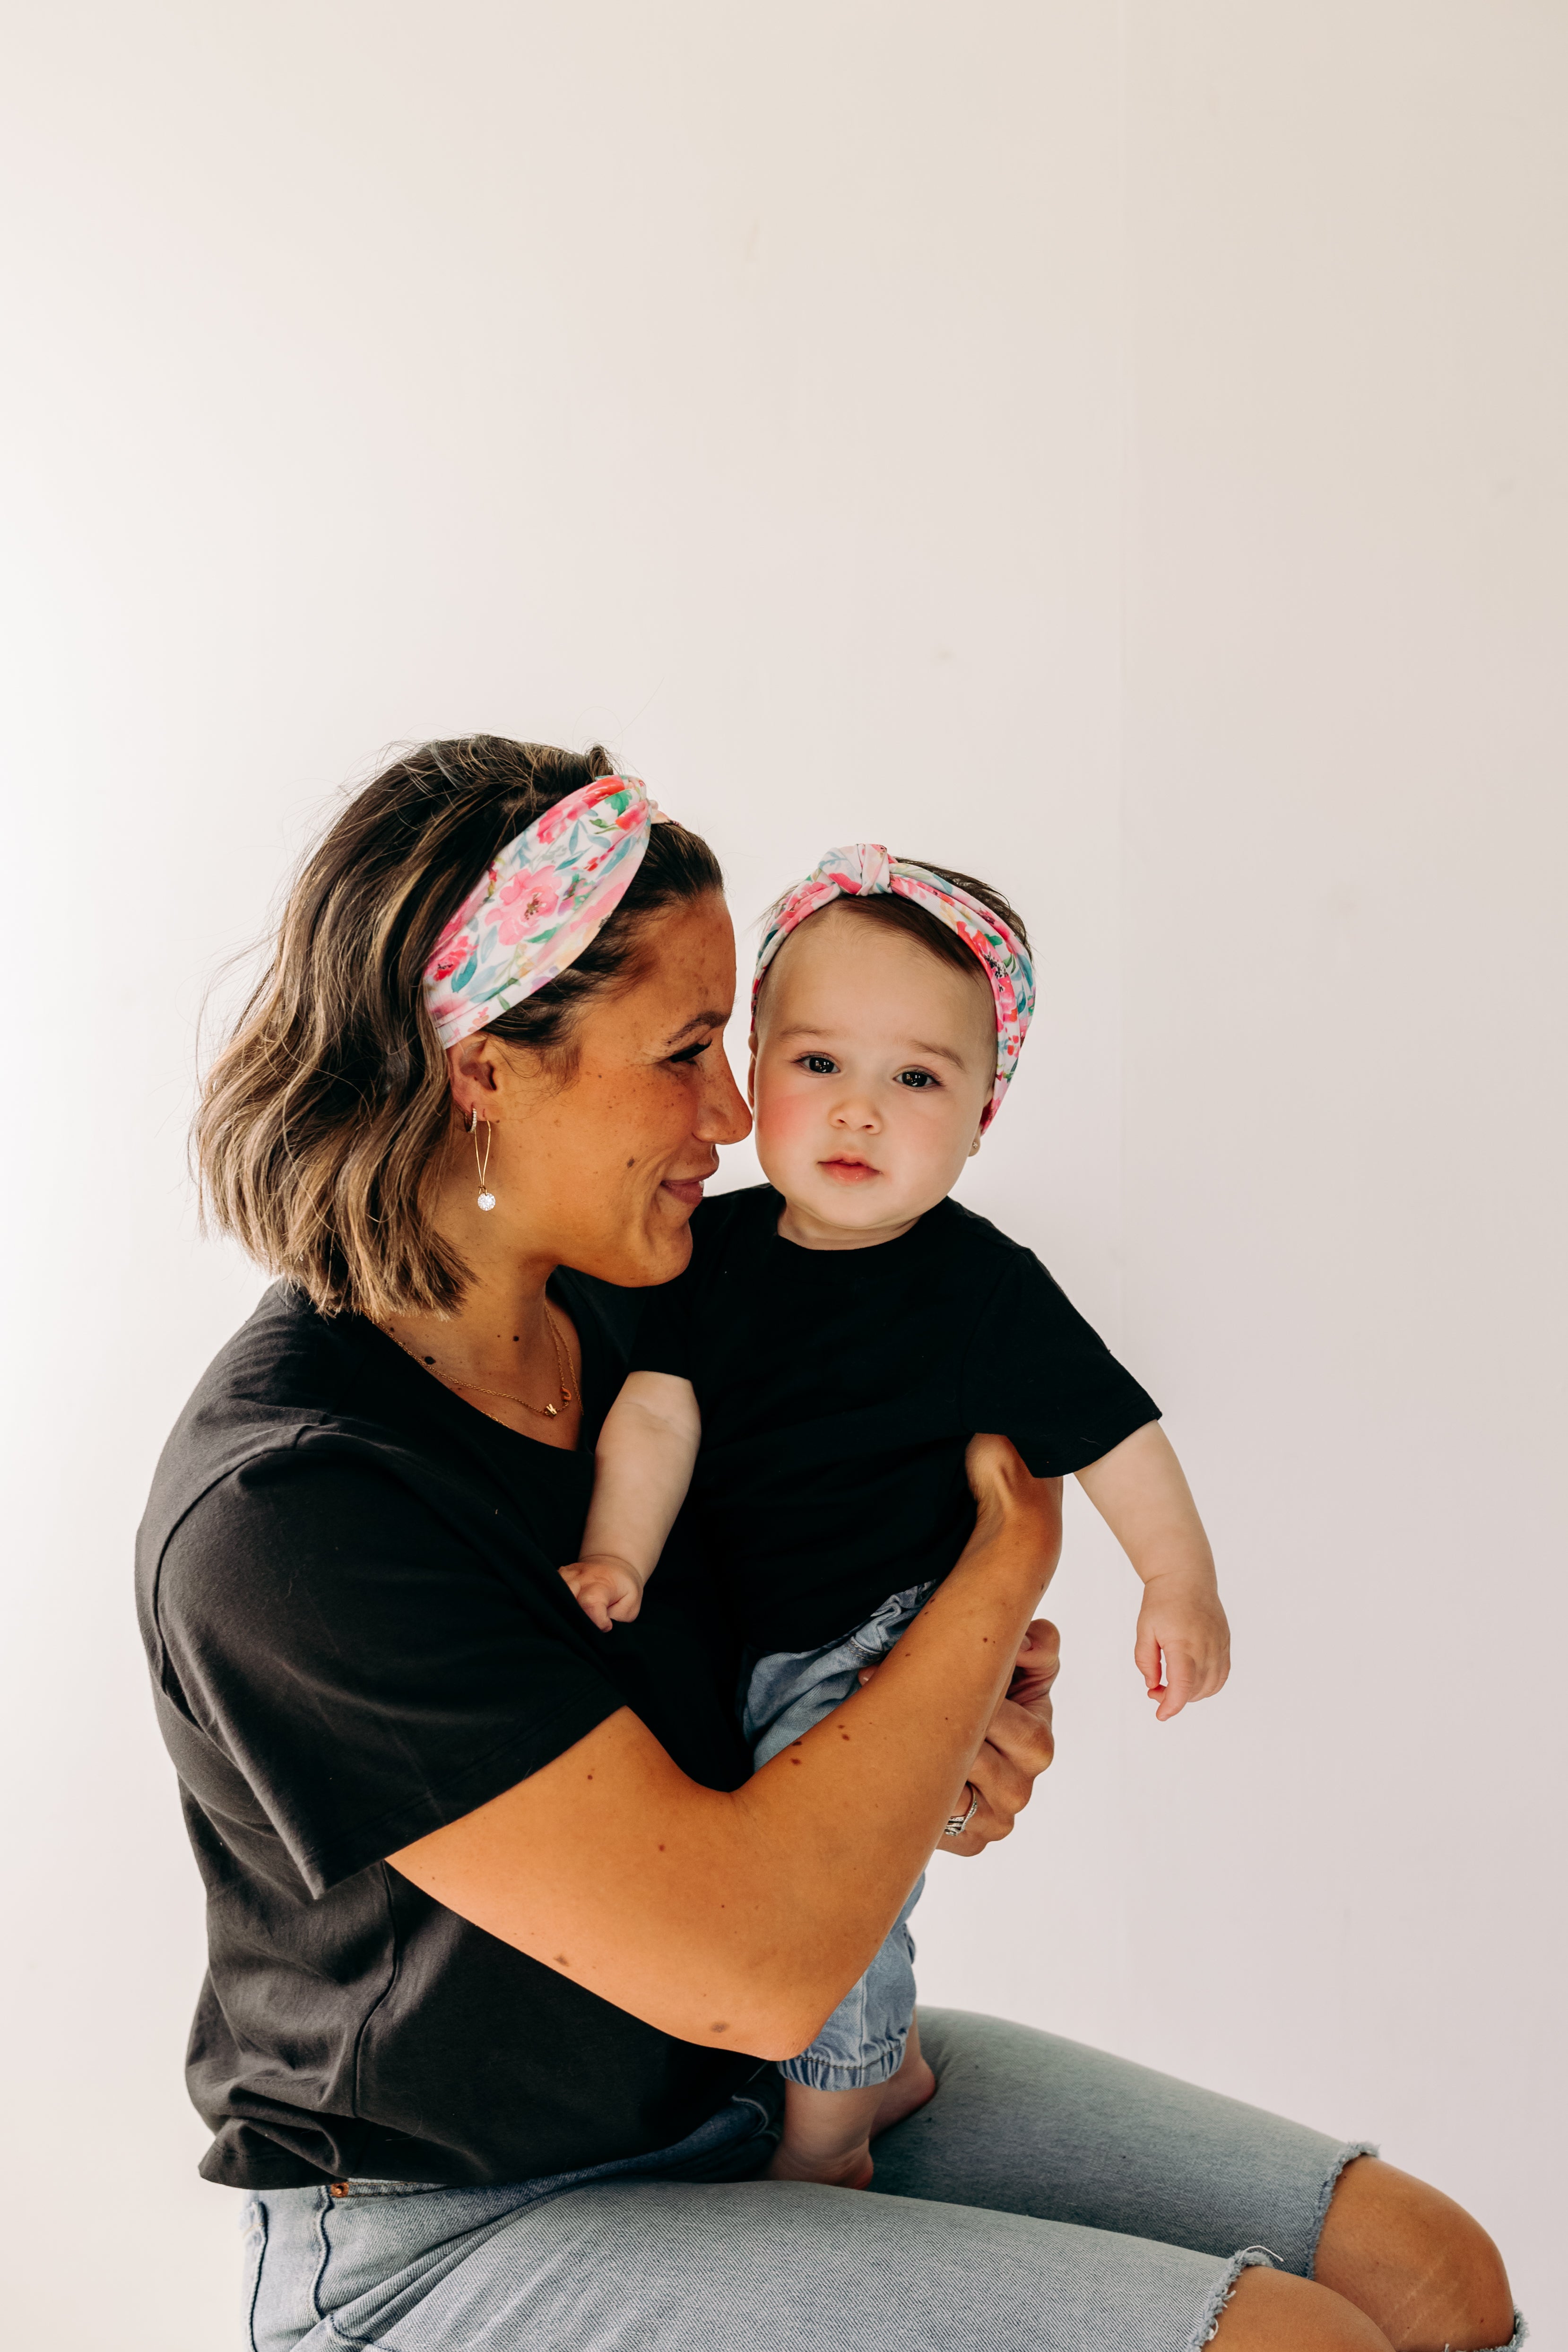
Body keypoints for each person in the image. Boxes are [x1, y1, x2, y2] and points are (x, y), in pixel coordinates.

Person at [137, 734, 1518, 2352]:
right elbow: (762, 1962)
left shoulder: (658, 1308)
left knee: (1430, 2275)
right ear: (485, 1072)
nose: (738, 1111)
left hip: (756, 2098)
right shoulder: (296, 1508)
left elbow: (818, 1718)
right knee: (1297, 2348)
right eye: (684, 1051)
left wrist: (942, 1751)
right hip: (459, 2229)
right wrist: (1009, 1561)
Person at [559, 841, 1230, 2190]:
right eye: (820, 1066)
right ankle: (887, 2064)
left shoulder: (984, 1291)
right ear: (755, 1064)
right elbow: (658, 1415)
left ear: (985, 1114)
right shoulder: (716, 1255)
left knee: (834, 1901)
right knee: (744, 1876)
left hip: (878, 1636)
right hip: (747, 1636)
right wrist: (619, 1552)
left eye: (916, 1078)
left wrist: (1177, 1580)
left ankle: (830, 2142)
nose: (859, 1113)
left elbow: (1112, 1436)